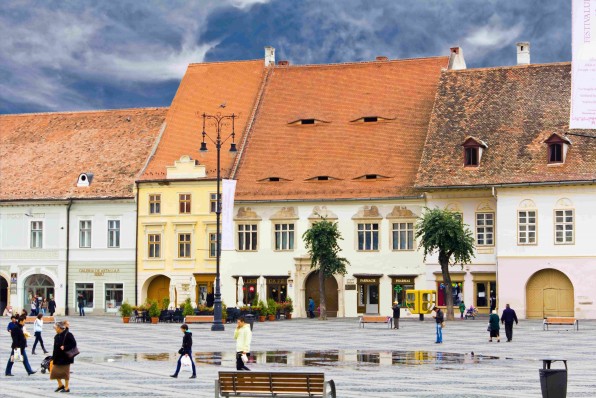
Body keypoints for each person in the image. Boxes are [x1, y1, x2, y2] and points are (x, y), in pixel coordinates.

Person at [51, 321, 76, 392]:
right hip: (57, 357)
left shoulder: (68, 334)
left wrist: (65, 347)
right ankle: (60, 385)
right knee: (54, 372)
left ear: (59, 328)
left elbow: (73, 344)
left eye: (55, 328)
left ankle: (67, 387)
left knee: (65, 373)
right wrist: (53, 357)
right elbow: (55, 348)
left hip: (66, 357)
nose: (55, 329)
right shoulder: (56, 336)